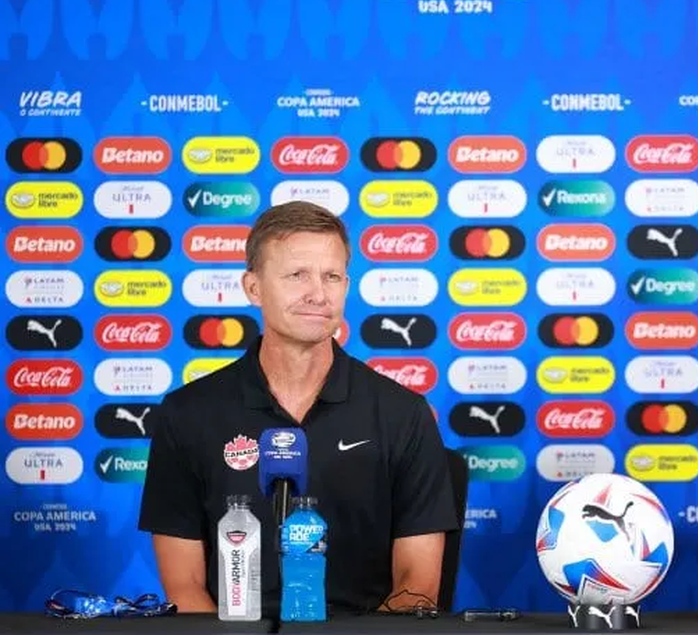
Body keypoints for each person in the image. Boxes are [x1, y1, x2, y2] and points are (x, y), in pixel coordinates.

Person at [138, 201, 458, 616]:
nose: (318, 294)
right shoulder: (186, 414)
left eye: (332, 276)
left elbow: (417, 586)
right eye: (296, 275)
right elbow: (184, 586)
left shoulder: (404, 414)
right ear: (253, 288)